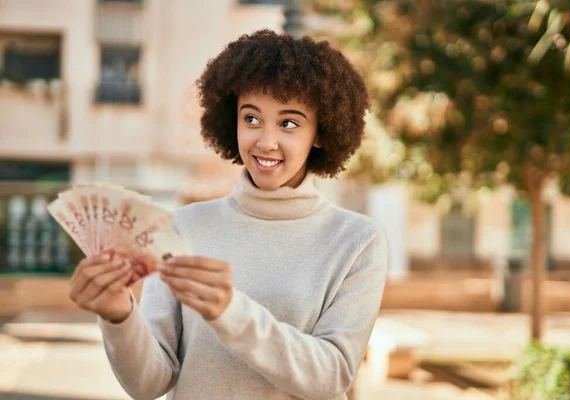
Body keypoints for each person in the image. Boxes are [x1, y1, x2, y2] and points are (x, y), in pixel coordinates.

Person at [68, 30, 388, 400]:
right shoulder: (185, 226)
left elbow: (332, 378)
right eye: (251, 118)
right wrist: (119, 316)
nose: (265, 141)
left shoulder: (357, 240)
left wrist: (231, 312)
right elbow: (148, 384)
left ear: (320, 132)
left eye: (288, 123)